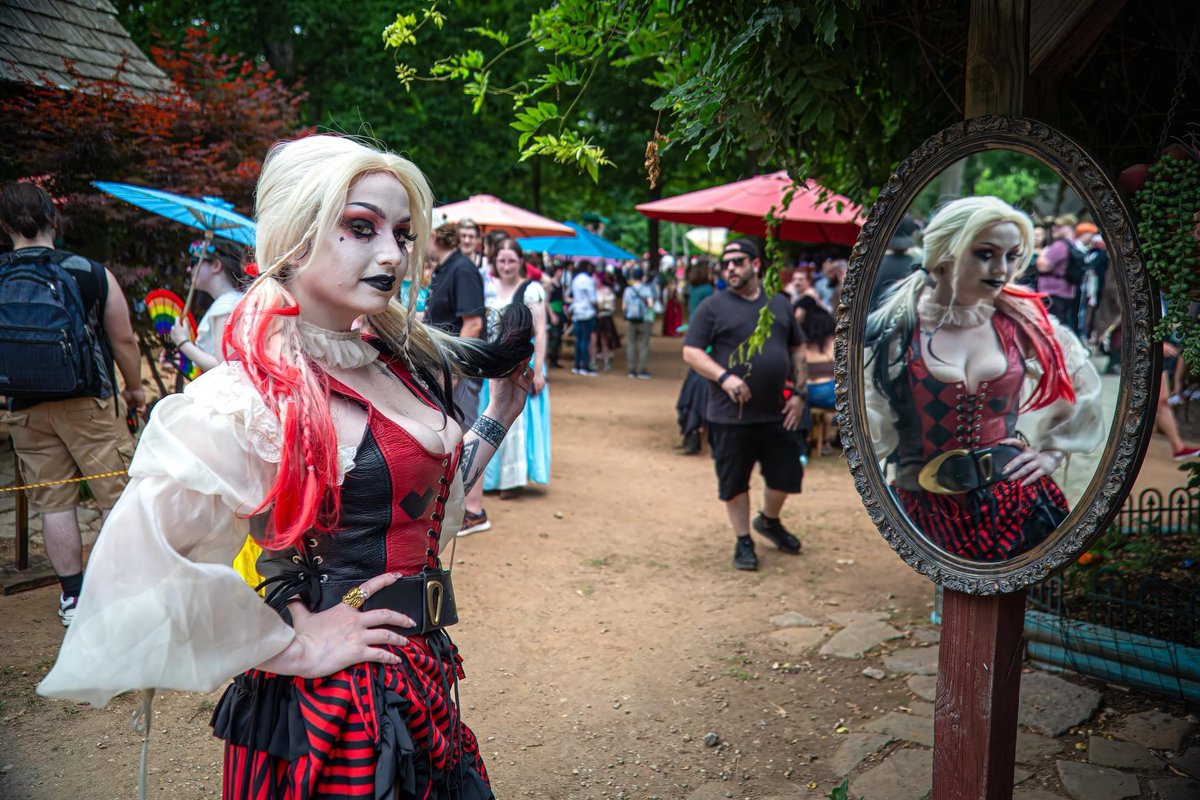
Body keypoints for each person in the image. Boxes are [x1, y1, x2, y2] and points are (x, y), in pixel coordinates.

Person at [39, 134, 536, 798]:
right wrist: (293, 645)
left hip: (418, 679)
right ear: (297, 237)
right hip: (336, 713)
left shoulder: (387, 359)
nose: (391, 253)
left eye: (401, 232)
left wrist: (499, 413)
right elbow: (129, 570)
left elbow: (419, 510)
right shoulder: (251, 400)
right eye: (361, 228)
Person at [866, 196, 1104, 563]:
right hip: (925, 507)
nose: (1002, 268)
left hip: (1016, 499)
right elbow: (868, 426)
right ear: (946, 252)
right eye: (986, 253)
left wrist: (1052, 453)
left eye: (1012, 256)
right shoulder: (895, 333)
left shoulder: (1025, 325)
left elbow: (1082, 389)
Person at [0, 182, 144, 626]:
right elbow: (123, 338)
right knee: (116, 497)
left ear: (5, 226)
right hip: (88, 402)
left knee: (55, 504)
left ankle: (73, 599)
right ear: (53, 219)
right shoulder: (88, 272)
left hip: (24, 404)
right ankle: (124, 591)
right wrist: (135, 389)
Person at [682, 238, 807, 571]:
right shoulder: (712, 306)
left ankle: (768, 520)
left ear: (756, 264)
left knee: (786, 476)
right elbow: (691, 353)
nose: (730, 268)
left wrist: (799, 392)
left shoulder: (778, 304)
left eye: (738, 261)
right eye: (726, 263)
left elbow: (797, 348)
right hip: (730, 415)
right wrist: (724, 377)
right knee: (734, 481)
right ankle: (743, 540)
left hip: (777, 412)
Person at [426, 222, 491, 535]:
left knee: (467, 435)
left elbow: (474, 324)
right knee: (456, 435)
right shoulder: (445, 268)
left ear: (436, 237)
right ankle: (461, 508)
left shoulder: (462, 270)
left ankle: (474, 512)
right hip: (447, 366)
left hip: (459, 369)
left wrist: (452, 371)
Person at [479, 238, 551, 497]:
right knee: (489, 417)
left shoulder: (532, 290)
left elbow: (540, 332)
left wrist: (539, 370)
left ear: (520, 262)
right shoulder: (487, 286)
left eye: (511, 260)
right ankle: (489, 479)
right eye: (502, 260)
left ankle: (511, 480)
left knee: (515, 424)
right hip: (492, 364)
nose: (507, 266)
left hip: (521, 365)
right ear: (495, 262)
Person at [168, 238, 248, 373]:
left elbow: (223, 366)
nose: (189, 268)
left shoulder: (226, 306)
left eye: (194, 262)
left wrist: (183, 342)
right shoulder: (228, 302)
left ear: (216, 265)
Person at [622, 267, 656, 379]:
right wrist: (651, 315)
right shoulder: (647, 289)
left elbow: (624, 306)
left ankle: (631, 370)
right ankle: (642, 370)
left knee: (631, 344)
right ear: (642, 277)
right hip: (644, 319)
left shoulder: (628, 290)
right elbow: (650, 304)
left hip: (631, 319)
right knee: (643, 345)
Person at [569, 259, 598, 375]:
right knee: (585, 340)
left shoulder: (575, 279)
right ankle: (585, 366)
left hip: (577, 313)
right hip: (587, 313)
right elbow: (592, 299)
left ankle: (576, 365)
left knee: (578, 340)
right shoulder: (589, 280)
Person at [593, 271, 621, 371]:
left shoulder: (608, 291)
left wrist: (600, 306)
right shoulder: (593, 291)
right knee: (594, 339)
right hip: (595, 317)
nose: (594, 281)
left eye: (596, 279)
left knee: (606, 340)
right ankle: (593, 361)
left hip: (605, 318)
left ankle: (606, 360)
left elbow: (610, 306)